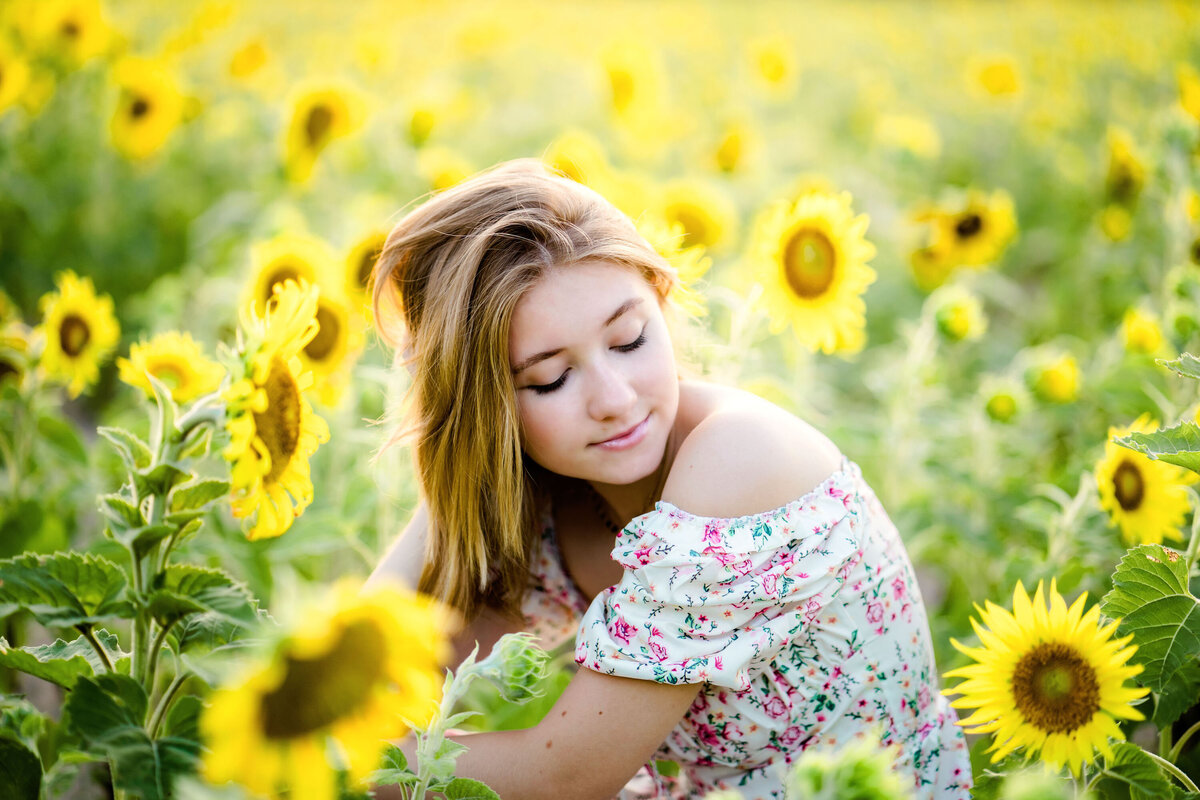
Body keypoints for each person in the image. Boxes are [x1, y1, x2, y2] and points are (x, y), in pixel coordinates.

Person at [365, 158, 972, 800]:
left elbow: (565, 774)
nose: (614, 398)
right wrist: (453, 470)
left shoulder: (738, 458)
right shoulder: (546, 497)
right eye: (549, 379)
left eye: (628, 340)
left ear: (660, 301)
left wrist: (346, 758)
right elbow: (379, 667)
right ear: (488, 413)